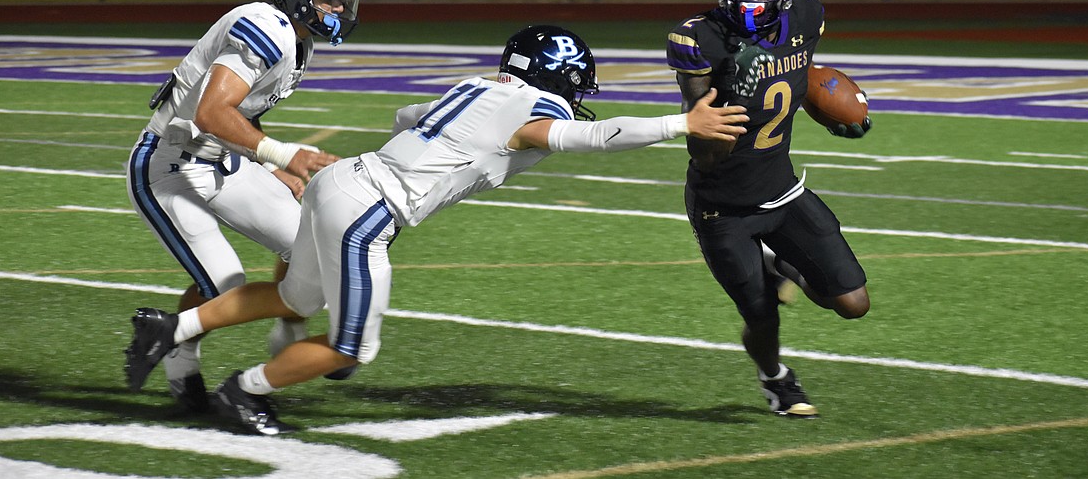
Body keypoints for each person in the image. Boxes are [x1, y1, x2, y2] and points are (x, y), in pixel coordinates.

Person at [125, 24, 748, 435]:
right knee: (351, 348)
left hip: (342, 183)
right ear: (559, 78)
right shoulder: (537, 108)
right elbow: (585, 134)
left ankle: (173, 327)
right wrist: (679, 123)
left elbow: (408, 114)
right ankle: (247, 391)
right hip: (369, 209)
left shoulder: (479, 86)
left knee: (295, 297)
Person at [125, 0, 364, 412]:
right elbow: (212, 112)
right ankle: (180, 358)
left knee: (317, 244)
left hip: (222, 163)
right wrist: (284, 155)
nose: (338, 7)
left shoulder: (296, 40)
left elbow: (241, 115)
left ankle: (289, 328)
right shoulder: (265, 24)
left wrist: (267, 163)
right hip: (168, 167)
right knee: (226, 283)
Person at [665, 0, 872, 418]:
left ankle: (782, 263)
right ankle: (776, 380)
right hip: (723, 206)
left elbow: (798, 73)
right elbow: (706, 152)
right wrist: (732, 94)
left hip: (781, 190)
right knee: (761, 315)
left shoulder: (806, 12)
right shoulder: (699, 41)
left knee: (853, 302)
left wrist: (825, 106)